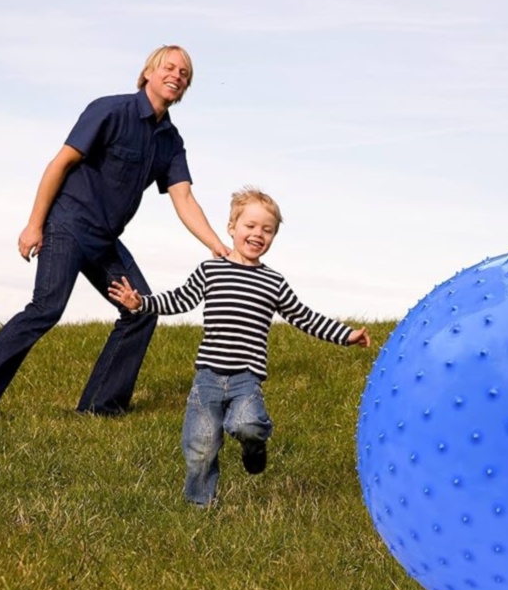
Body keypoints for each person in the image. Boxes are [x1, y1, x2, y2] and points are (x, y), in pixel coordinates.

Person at [0, 45, 232, 423]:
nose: (177, 75)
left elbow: (183, 197)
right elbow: (60, 163)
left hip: (104, 241)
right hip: (67, 224)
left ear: (185, 88)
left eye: (184, 74)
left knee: (140, 310)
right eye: (170, 67)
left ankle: (99, 409)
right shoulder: (111, 110)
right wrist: (35, 223)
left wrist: (218, 246)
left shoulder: (170, 141)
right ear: (148, 72)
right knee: (46, 308)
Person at [108, 186, 371, 507]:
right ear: (232, 228)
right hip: (207, 378)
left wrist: (346, 335)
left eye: (267, 230)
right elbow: (179, 299)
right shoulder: (211, 270)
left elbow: (304, 317)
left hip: (246, 378)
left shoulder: (273, 282)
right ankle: (200, 505)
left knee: (247, 425)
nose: (258, 234)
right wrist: (140, 303)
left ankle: (255, 447)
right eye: (250, 226)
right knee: (201, 446)